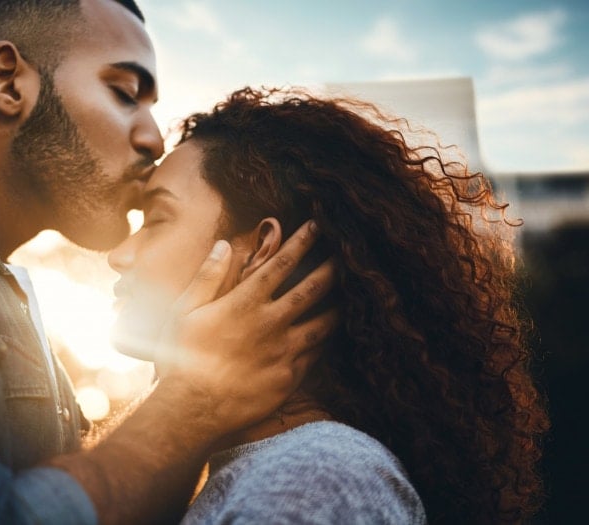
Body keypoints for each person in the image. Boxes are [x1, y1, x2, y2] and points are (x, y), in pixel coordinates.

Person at [0, 2, 335, 523]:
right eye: (125, 94)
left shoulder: (1, 290)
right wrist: (191, 401)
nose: (153, 139)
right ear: (6, 82)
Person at [108, 86, 550, 524]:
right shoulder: (274, 469)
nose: (118, 255)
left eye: (156, 219)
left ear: (262, 249)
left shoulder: (314, 477)